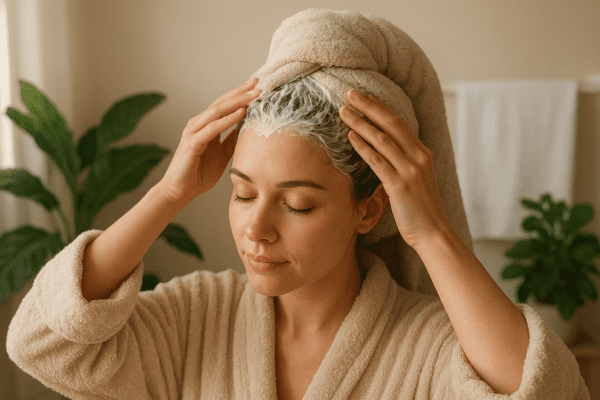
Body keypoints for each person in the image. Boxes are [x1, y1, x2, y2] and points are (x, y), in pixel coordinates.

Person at [7, 9, 589, 400]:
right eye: (242, 192)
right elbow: (41, 340)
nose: (256, 228)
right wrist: (169, 192)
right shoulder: (195, 316)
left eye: (299, 205)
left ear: (370, 208)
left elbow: (549, 391)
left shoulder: (429, 344)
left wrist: (432, 231)